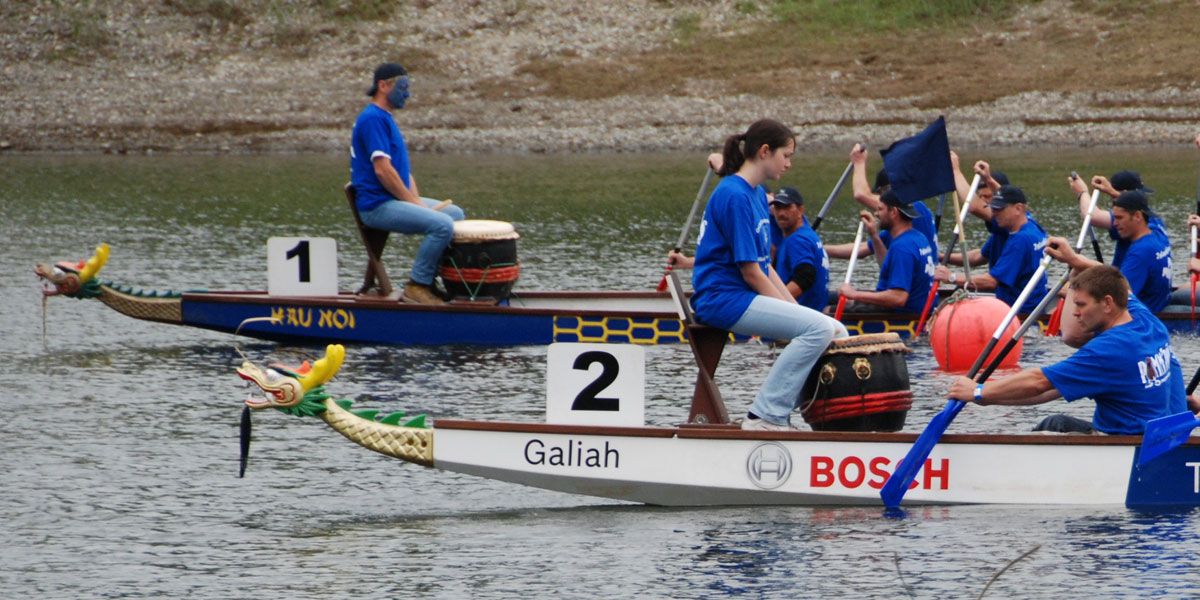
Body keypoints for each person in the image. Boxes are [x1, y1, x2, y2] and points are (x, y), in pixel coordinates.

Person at [690, 119, 848, 431]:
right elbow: (750, 273)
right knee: (817, 329)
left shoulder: (758, 195)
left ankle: (820, 417)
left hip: (741, 296)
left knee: (836, 329)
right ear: (765, 152)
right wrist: (803, 319)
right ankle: (766, 415)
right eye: (786, 155)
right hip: (722, 299)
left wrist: (800, 314)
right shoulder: (734, 195)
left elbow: (766, 267)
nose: (788, 163)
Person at [946, 265, 1185, 435]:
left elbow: (1039, 381)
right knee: (1056, 414)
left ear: (1108, 303)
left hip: (1128, 445)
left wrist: (979, 391)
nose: (1075, 312)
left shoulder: (1108, 350)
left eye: (1081, 304)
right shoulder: (1146, 319)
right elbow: (1124, 287)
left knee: (1052, 425)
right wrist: (1075, 262)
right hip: (1162, 432)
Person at [350, 62, 466, 304]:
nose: (408, 93)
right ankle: (418, 285)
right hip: (377, 206)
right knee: (442, 225)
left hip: (393, 200)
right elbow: (383, 171)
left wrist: (415, 200)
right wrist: (413, 202)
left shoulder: (385, 118)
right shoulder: (373, 119)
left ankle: (433, 282)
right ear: (383, 86)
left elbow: (402, 172)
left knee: (455, 214)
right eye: (402, 87)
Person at [935, 183, 1049, 312]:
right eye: (993, 208)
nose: (994, 214)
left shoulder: (1020, 241)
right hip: (1033, 308)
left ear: (1018, 208)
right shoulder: (1032, 225)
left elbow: (991, 281)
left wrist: (951, 277)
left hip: (1019, 315)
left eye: (999, 209)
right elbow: (978, 256)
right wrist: (941, 256)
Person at [1066, 176, 1172, 312]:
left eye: (1119, 218)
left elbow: (1118, 296)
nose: (1115, 224)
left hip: (1145, 313)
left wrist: (1078, 266)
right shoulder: (1156, 227)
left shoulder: (1140, 252)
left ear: (1138, 216)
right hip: (1158, 300)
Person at [826, 143, 938, 261]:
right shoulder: (900, 224)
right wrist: (820, 248)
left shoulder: (911, 206)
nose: (879, 202)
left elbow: (861, 194)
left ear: (888, 189)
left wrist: (859, 162)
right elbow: (861, 249)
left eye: (880, 193)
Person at [770, 186, 831, 311]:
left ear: (800, 210)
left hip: (801, 317)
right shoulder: (808, 234)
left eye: (787, 207)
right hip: (816, 310)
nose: (781, 213)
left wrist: (774, 304)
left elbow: (805, 276)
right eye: (778, 208)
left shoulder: (798, 240)